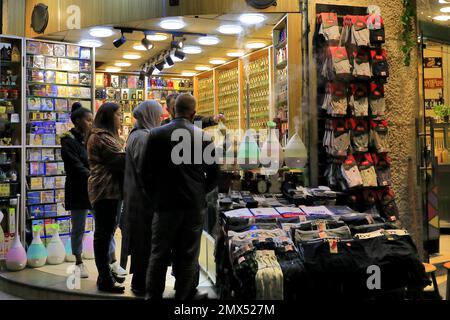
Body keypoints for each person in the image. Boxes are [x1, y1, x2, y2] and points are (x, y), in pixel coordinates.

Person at [142, 93, 220, 300]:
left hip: (165, 204)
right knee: (188, 256)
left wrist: (155, 197)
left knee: (158, 254)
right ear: (193, 113)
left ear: (172, 110)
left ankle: (153, 297)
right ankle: (183, 299)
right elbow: (214, 174)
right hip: (193, 205)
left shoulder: (156, 135)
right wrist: (200, 192)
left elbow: (145, 173)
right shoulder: (202, 137)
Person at [121, 100, 163, 295]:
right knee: (144, 245)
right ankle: (140, 285)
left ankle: (140, 283)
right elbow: (146, 169)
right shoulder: (143, 137)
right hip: (142, 201)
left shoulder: (136, 134)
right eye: (158, 116)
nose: (161, 120)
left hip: (136, 198)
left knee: (141, 244)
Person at [87, 102, 126, 293]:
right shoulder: (100, 137)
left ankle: (106, 275)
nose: (121, 118)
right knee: (103, 235)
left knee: (107, 232)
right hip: (105, 191)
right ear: (108, 116)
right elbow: (121, 160)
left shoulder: (109, 136)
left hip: (112, 191)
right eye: (118, 114)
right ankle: (104, 278)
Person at [61, 102, 93, 278]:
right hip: (78, 190)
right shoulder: (67, 141)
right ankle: (79, 261)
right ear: (78, 121)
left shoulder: (91, 138)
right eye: (88, 120)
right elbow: (75, 166)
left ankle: (111, 261)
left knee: (105, 225)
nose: (91, 123)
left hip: (94, 188)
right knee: (78, 227)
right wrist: (93, 175)